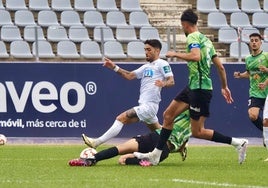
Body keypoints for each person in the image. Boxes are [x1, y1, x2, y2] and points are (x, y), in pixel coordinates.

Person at [134, 8, 248, 165]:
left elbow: (195, 56)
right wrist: (224, 86)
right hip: (193, 87)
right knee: (168, 115)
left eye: (182, 26)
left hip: (200, 90)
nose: (182, 28)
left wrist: (175, 54)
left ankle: (238, 143)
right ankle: (156, 154)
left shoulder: (193, 37)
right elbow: (220, 67)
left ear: (185, 24)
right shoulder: (207, 41)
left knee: (198, 131)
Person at [81, 39, 175, 149]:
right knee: (160, 132)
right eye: (145, 50)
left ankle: (96, 142)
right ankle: (178, 146)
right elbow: (129, 76)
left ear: (157, 51)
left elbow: (171, 81)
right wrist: (114, 67)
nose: (146, 52)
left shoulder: (162, 64)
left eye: (149, 50)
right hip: (144, 106)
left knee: (121, 118)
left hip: (149, 106)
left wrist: (163, 83)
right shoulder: (146, 67)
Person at [69, 110, 191, 167]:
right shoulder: (191, 131)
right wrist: (181, 148)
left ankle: (91, 159)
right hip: (163, 152)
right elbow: (179, 147)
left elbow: (168, 116)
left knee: (120, 150)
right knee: (123, 160)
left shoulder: (180, 112)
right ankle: (144, 161)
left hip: (154, 138)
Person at [234, 33, 268, 133]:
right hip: (255, 92)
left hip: (267, 92)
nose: (254, 42)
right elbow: (250, 73)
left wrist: (266, 71)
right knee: (253, 116)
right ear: (249, 43)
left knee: (266, 121)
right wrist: (240, 75)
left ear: (260, 43)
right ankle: (266, 134)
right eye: (252, 40)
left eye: (256, 40)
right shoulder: (248, 59)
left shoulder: (266, 56)